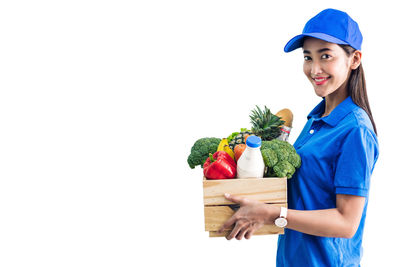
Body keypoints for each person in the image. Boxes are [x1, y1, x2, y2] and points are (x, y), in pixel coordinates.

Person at [217, 8, 379, 266]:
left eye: (326, 56)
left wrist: (272, 213)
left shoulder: (354, 129)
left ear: (354, 59)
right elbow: (307, 193)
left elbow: (347, 223)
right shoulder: (316, 119)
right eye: (308, 57)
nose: (315, 68)